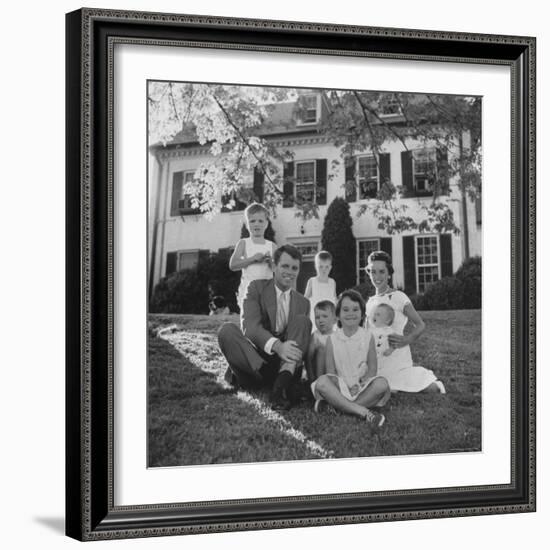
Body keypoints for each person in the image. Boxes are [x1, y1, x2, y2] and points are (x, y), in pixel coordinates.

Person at [218, 244, 311, 410]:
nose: (290, 272)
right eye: (285, 266)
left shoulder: (304, 302)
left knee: (303, 321)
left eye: (294, 268)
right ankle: (263, 380)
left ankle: (280, 386)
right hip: (256, 360)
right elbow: (250, 327)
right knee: (227, 331)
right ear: (274, 266)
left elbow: (301, 336)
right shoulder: (255, 287)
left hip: (284, 364)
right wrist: (278, 346)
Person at [364, 250, 446, 393]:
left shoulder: (399, 297)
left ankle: (427, 383)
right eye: (373, 272)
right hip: (375, 357)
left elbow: (420, 324)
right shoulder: (370, 302)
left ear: (389, 274)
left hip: (395, 356)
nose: (377, 277)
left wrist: (407, 339)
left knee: (424, 388)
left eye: (382, 272)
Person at [310, 290, 390, 426]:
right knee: (322, 382)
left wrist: (360, 385)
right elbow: (331, 372)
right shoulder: (332, 339)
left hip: (362, 388)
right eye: (345, 310)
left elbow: (372, 368)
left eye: (355, 309)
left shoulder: (367, 336)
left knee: (382, 384)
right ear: (338, 315)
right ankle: (364, 412)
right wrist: (344, 387)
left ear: (362, 314)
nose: (350, 313)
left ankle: (338, 407)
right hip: (339, 387)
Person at [229, 203, 277, 312]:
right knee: (249, 321)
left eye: (260, 221)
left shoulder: (272, 246)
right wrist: (252, 259)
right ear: (247, 224)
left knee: (265, 322)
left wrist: (270, 262)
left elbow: (277, 270)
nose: (257, 224)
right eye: (252, 221)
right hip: (248, 291)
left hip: (266, 291)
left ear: (266, 224)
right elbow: (233, 265)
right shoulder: (243, 243)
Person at [305, 300, 336, 383]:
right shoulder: (315, 336)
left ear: (335, 319)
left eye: (325, 316)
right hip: (318, 374)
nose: (321, 320)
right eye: (317, 317)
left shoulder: (336, 336)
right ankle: (319, 383)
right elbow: (308, 358)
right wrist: (311, 378)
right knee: (321, 350)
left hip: (332, 372)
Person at [304, 250, 337, 326]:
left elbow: (334, 301)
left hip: (329, 322)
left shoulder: (332, 282)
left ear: (330, 267)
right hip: (315, 321)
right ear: (316, 267)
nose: (324, 270)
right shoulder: (312, 281)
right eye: (321, 267)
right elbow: (304, 302)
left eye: (327, 267)